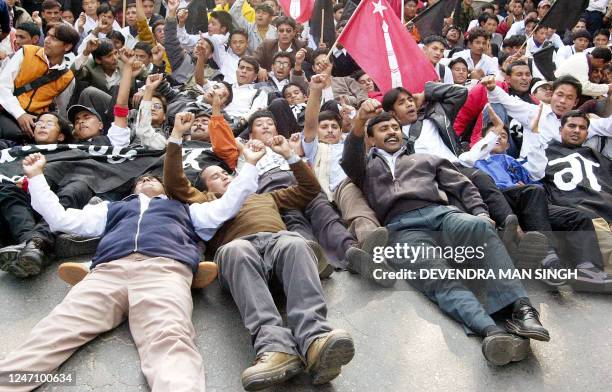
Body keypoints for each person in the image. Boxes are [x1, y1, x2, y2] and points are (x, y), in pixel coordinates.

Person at [0, 112, 263, 390]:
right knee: (52, 333)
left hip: (164, 273)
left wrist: (251, 166)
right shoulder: (112, 209)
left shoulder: (188, 210)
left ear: (165, 187)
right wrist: (37, 177)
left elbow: (228, 204)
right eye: (141, 181)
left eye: (153, 179)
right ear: (132, 189)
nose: (147, 181)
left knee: (170, 342)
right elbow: (61, 219)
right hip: (105, 275)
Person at [340, 100, 551, 366]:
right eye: (383, 129)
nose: (392, 132)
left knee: (480, 229)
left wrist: (481, 213)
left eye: (395, 127)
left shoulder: (426, 159)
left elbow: (463, 186)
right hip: (401, 229)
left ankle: (522, 310)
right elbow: (350, 155)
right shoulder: (363, 169)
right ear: (370, 139)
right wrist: (360, 119)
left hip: (442, 215)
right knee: (440, 278)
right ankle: (490, 331)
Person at [163, 129, 355, 391]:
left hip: (277, 244)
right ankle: (275, 348)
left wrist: (290, 156)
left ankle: (315, 341)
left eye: (225, 173)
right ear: (206, 187)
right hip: (239, 254)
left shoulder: (265, 196)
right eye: (214, 177)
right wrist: (175, 137)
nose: (223, 177)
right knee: (235, 251)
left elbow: (309, 189)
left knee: (296, 243)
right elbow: (174, 184)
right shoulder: (203, 202)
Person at [0, 23, 79, 143]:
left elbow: (60, 109)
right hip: (6, 110)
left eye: (54, 38)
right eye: (48, 35)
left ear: (67, 46)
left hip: (35, 119)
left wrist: (45, 123)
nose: (47, 40)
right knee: (14, 134)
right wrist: (20, 114)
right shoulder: (26, 52)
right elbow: (3, 86)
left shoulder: (67, 77)